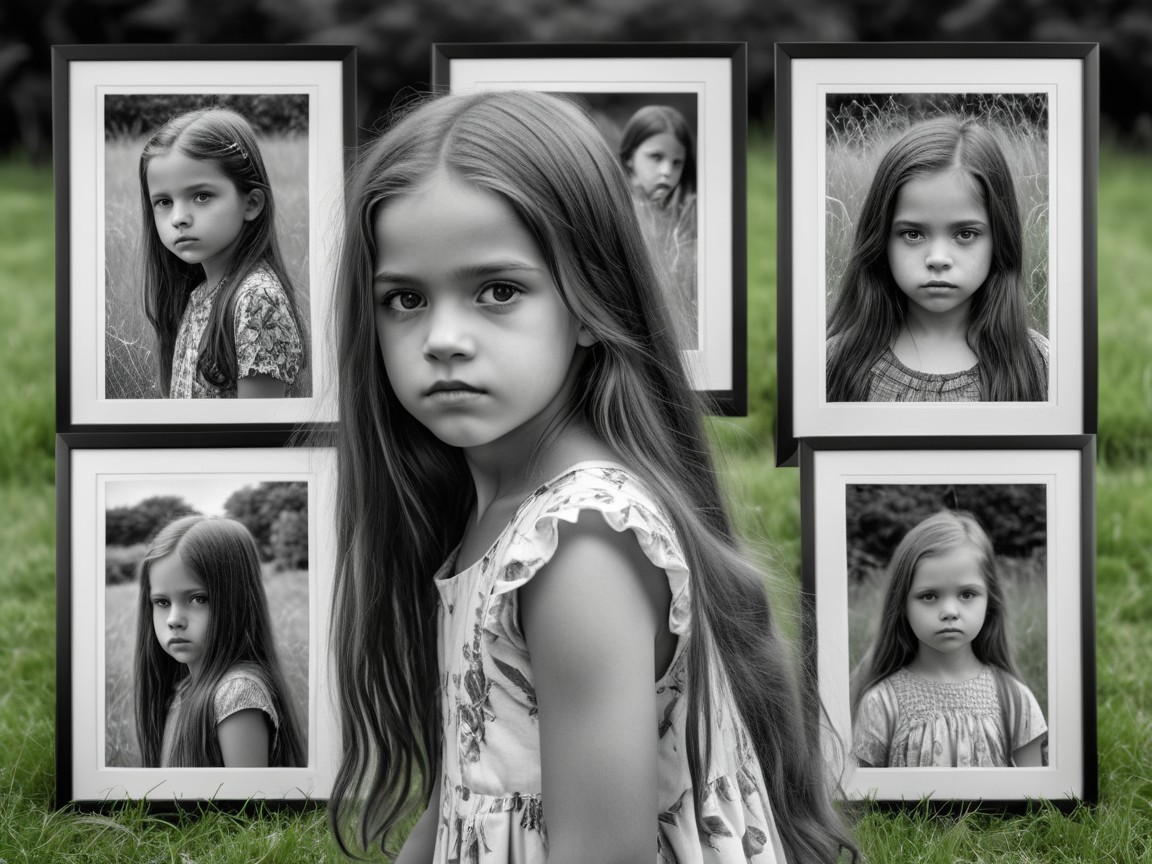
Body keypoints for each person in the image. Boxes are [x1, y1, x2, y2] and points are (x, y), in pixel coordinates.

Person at [326, 90, 856, 864]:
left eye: (497, 291)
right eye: (404, 299)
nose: (441, 338)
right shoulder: (493, 502)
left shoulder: (578, 545)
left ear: (587, 302)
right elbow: (467, 785)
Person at [826, 116, 1049, 402]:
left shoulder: (1038, 365)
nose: (938, 259)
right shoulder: (835, 364)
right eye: (913, 234)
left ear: (999, 239)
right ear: (881, 238)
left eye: (965, 234)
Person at [850, 511, 1047, 768]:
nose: (950, 612)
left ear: (990, 601)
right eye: (929, 596)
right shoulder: (881, 705)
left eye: (967, 594)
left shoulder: (1014, 699)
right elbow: (864, 802)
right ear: (901, 605)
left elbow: (1040, 801)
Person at [138, 107, 306, 399]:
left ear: (251, 203)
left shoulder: (256, 299)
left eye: (201, 196)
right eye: (164, 201)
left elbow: (255, 436)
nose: (179, 217)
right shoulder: (200, 295)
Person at [134, 515, 305, 768]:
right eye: (162, 602)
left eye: (198, 599)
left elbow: (247, 804)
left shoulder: (236, 692)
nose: (173, 620)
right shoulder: (184, 689)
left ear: (236, 600)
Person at [619, 104, 698, 348]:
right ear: (630, 157)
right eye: (656, 157)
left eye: (677, 163)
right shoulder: (618, 210)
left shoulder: (686, 216)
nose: (666, 171)